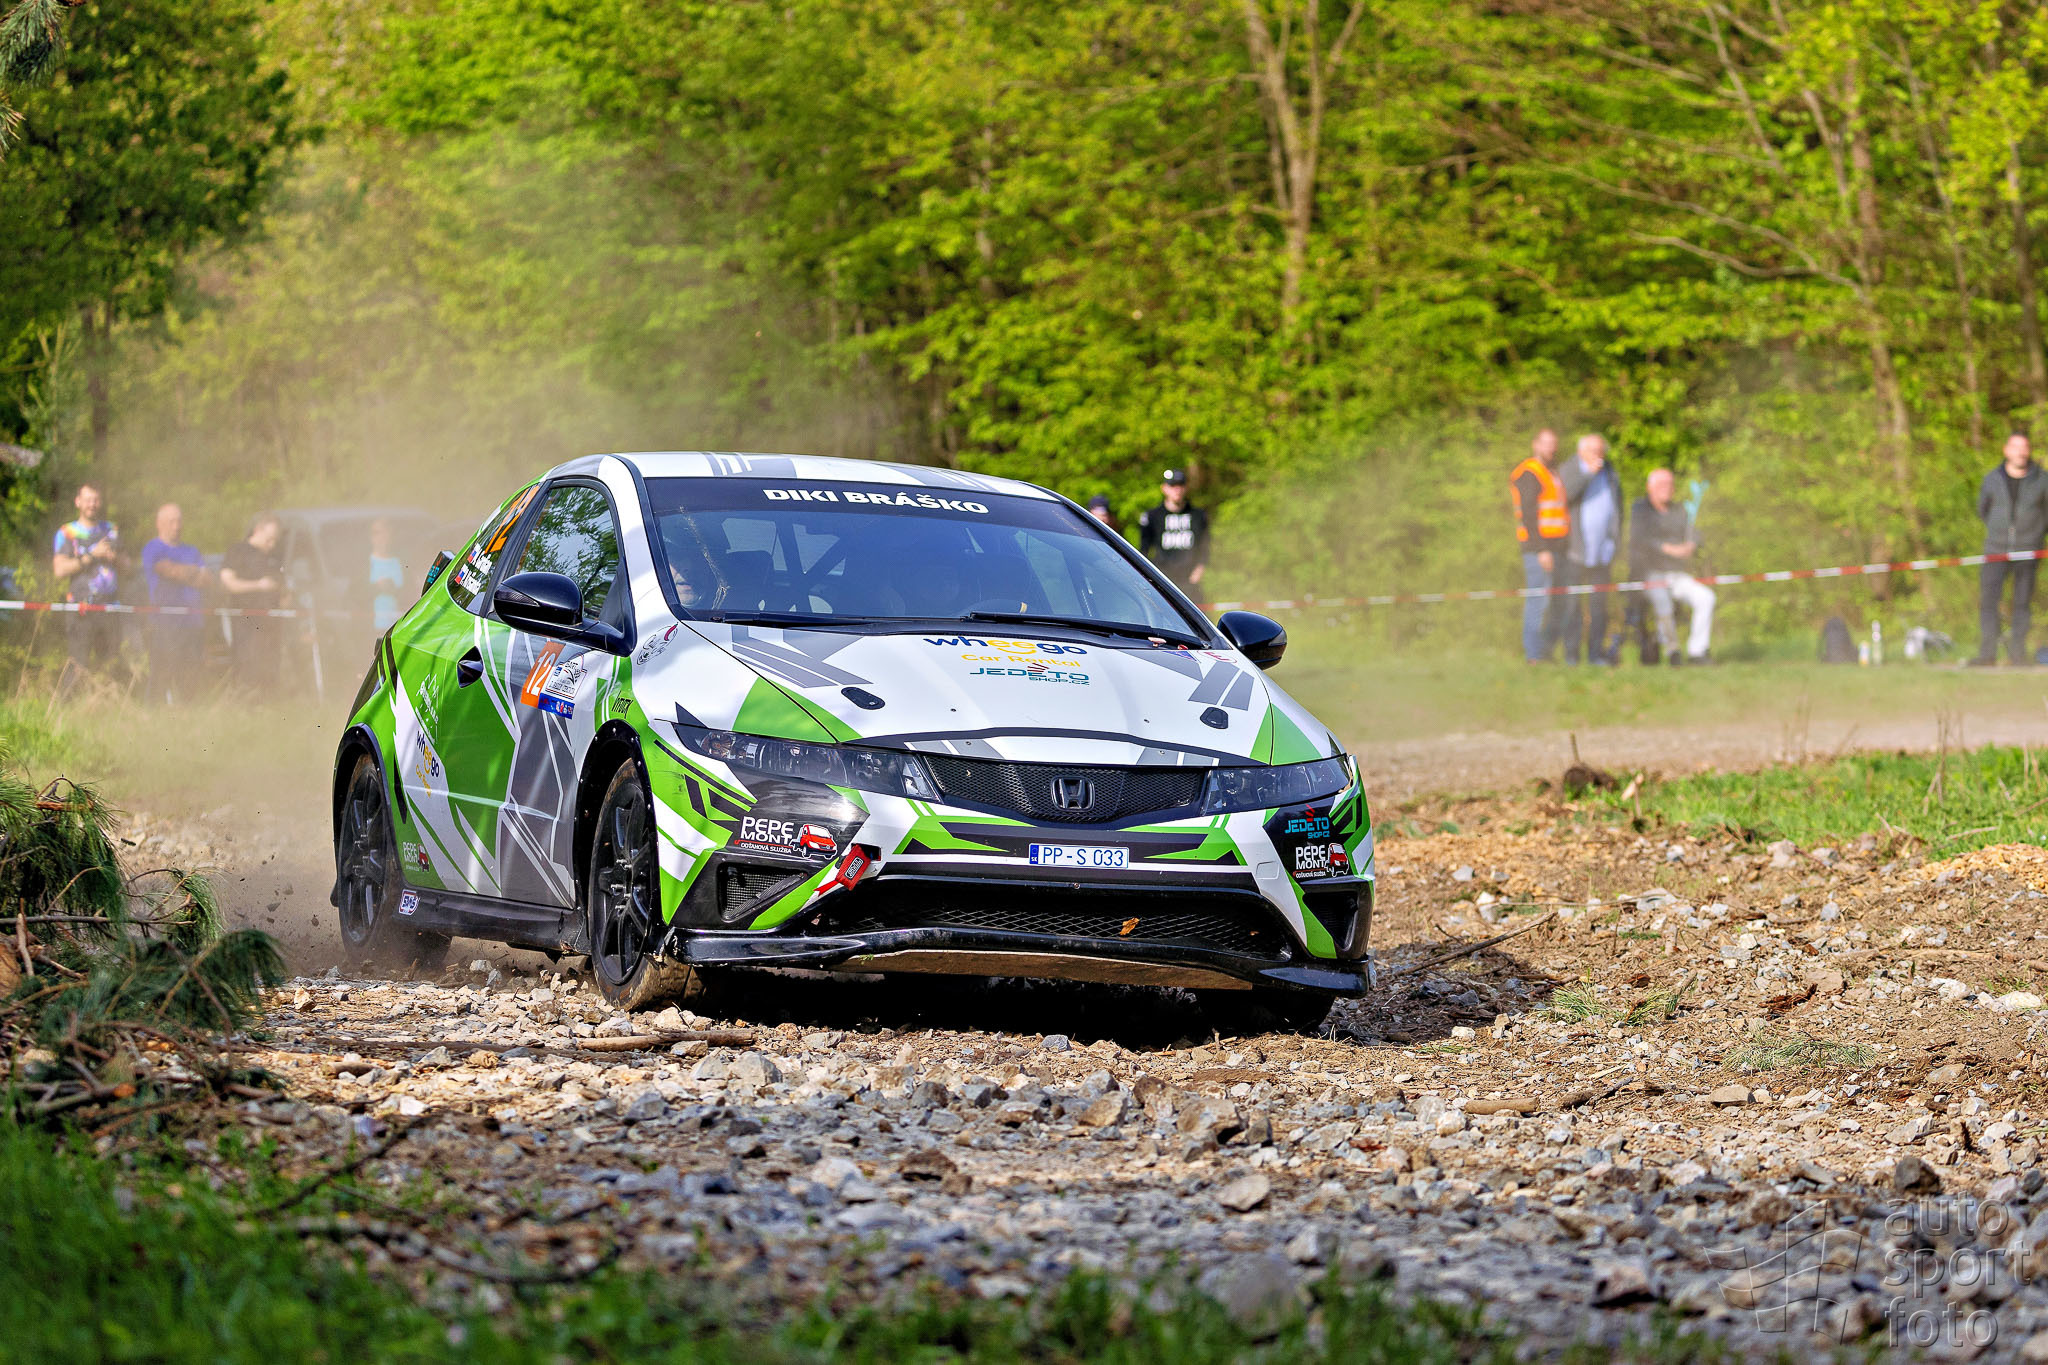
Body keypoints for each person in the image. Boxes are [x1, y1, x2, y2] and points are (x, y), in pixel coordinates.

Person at [1972, 431, 2048, 666]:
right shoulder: (1992, 479)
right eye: (2016, 447)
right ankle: (1987, 654)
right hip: (1995, 550)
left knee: (2022, 603)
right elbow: (1983, 509)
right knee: (1988, 602)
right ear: (2006, 450)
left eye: (2024, 447)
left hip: (2028, 550)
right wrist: (1998, 534)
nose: (2020, 452)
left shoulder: (2042, 479)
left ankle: (2017, 656)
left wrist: (2036, 536)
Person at [1630, 468, 1714, 665]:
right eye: (1662, 484)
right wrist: (1668, 549)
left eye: (1670, 484)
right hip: (1650, 574)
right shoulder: (1640, 510)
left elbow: (1694, 532)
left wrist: (1691, 544)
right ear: (1650, 487)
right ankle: (1672, 651)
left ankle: (1697, 651)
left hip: (1677, 575)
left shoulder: (1680, 510)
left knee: (1706, 598)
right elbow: (1641, 539)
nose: (1667, 488)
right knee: (1663, 603)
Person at [1557, 433, 1622, 665]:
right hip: (1576, 551)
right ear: (1581, 452)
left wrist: (1615, 540)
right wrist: (1588, 474)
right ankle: (1571, 655)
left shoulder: (1610, 471)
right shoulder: (1569, 469)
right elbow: (1565, 496)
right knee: (1572, 605)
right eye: (1593, 451)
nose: (1598, 455)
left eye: (1601, 451)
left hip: (1602, 552)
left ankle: (1596, 654)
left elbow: (1618, 507)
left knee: (1599, 607)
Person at [139, 502, 211, 703]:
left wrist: (182, 572)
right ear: (159, 523)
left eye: (179, 521)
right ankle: (153, 712)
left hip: (193, 622)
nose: (177, 526)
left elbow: (207, 579)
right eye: (171, 521)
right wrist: (193, 572)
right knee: (162, 671)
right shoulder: (153, 548)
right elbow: (167, 570)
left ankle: (187, 713)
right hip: (165, 622)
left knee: (190, 672)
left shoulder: (191, 550)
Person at [1508, 429, 1570, 662]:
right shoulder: (1529, 472)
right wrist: (1540, 549)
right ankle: (1533, 655)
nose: (1551, 448)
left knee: (1557, 602)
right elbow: (1528, 514)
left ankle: (1545, 652)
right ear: (1535, 445)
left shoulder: (1552, 472)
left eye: (1554, 443)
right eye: (1546, 443)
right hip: (1539, 549)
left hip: (1557, 547)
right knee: (1538, 600)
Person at [49, 482, 122, 680]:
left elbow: (128, 567)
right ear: (78, 502)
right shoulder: (66, 532)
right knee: (77, 666)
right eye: (88, 500)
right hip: (80, 609)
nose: (92, 504)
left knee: (110, 667)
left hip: (109, 608)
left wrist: (116, 558)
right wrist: (92, 555)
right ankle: (68, 699)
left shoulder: (111, 530)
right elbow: (59, 570)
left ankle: (106, 699)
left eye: (96, 500)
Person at [219, 514, 286, 690]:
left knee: (270, 665)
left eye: (275, 540)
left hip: (270, 623)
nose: (272, 544)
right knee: (246, 662)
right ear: (257, 530)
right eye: (269, 539)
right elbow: (228, 583)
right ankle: (245, 698)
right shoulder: (238, 551)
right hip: (246, 621)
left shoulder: (274, 557)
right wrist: (259, 585)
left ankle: (269, 698)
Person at [1137, 469, 1210, 598]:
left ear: (1186, 488)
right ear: (1164, 488)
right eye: (1172, 485)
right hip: (1162, 580)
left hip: (1190, 582)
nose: (1177, 490)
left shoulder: (1198, 515)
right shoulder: (1152, 516)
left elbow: (1204, 548)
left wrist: (1197, 574)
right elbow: (1144, 550)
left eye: (1180, 485)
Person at [368, 518, 406, 632]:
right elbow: (357, 594)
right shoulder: (366, 564)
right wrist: (376, 587)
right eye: (376, 533)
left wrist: (392, 588)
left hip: (397, 627)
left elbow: (407, 592)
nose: (381, 537)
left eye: (385, 532)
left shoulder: (399, 563)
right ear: (371, 537)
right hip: (373, 627)